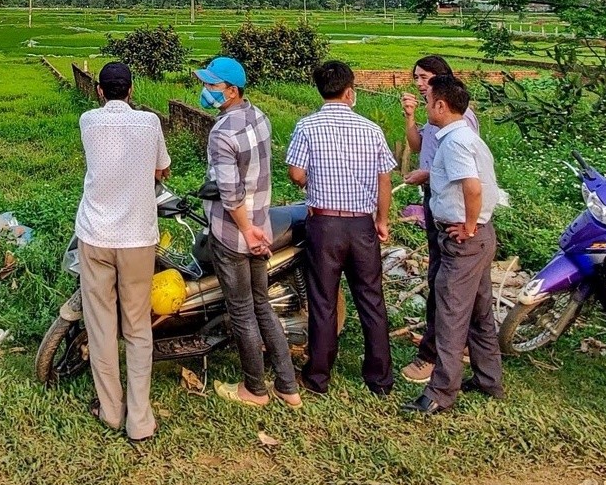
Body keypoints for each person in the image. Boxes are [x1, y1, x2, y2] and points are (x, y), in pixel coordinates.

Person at [195, 56, 303, 409]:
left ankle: (255, 390)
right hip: (263, 224)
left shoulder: (222, 133)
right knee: (262, 305)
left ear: (231, 91)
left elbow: (231, 194)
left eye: (212, 86)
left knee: (241, 310)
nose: (206, 91)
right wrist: (257, 231)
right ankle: (288, 386)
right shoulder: (259, 117)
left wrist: (246, 232)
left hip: (236, 233)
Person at [286, 61, 398, 397]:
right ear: (350, 91)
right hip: (362, 225)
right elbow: (385, 179)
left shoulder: (307, 126)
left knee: (323, 300)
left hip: (324, 223)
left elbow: (295, 173)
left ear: (320, 90)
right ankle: (379, 379)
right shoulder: (371, 129)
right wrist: (382, 220)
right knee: (371, 299)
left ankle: (318, 377)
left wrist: (310, 181)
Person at [73, 61, 172, 441]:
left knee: (100, 327)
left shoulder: (88, 121)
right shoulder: (150, 124)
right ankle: (141, 420)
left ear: (100, 91)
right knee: (137, 328)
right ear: (131, 90)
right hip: (137, 239)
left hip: (96, 235)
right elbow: (162, 169)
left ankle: (111, 411)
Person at [402, 74, 504, 416]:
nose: (426, 104)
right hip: (480, 237)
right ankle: (490, 379)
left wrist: (469, 225)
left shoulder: (455, 141)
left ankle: (441, 391)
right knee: (479, 313)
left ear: (441, 105)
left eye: (428, 100)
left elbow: (472, 187)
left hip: (464, 240)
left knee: (449, 314)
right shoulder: (465, 137)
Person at [398, 55, 481, 384]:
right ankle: (470, 350)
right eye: (416, 77)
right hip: (436, 200)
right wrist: (409, 118)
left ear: (442, 79)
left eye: (425, 77)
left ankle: (433, 357)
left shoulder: (462, 120)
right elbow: (419, 145)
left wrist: (427, 176)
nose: (418, 83)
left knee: (444, 283)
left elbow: (467, 176)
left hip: (453, 207)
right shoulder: (435, 115)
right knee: (454, 282)